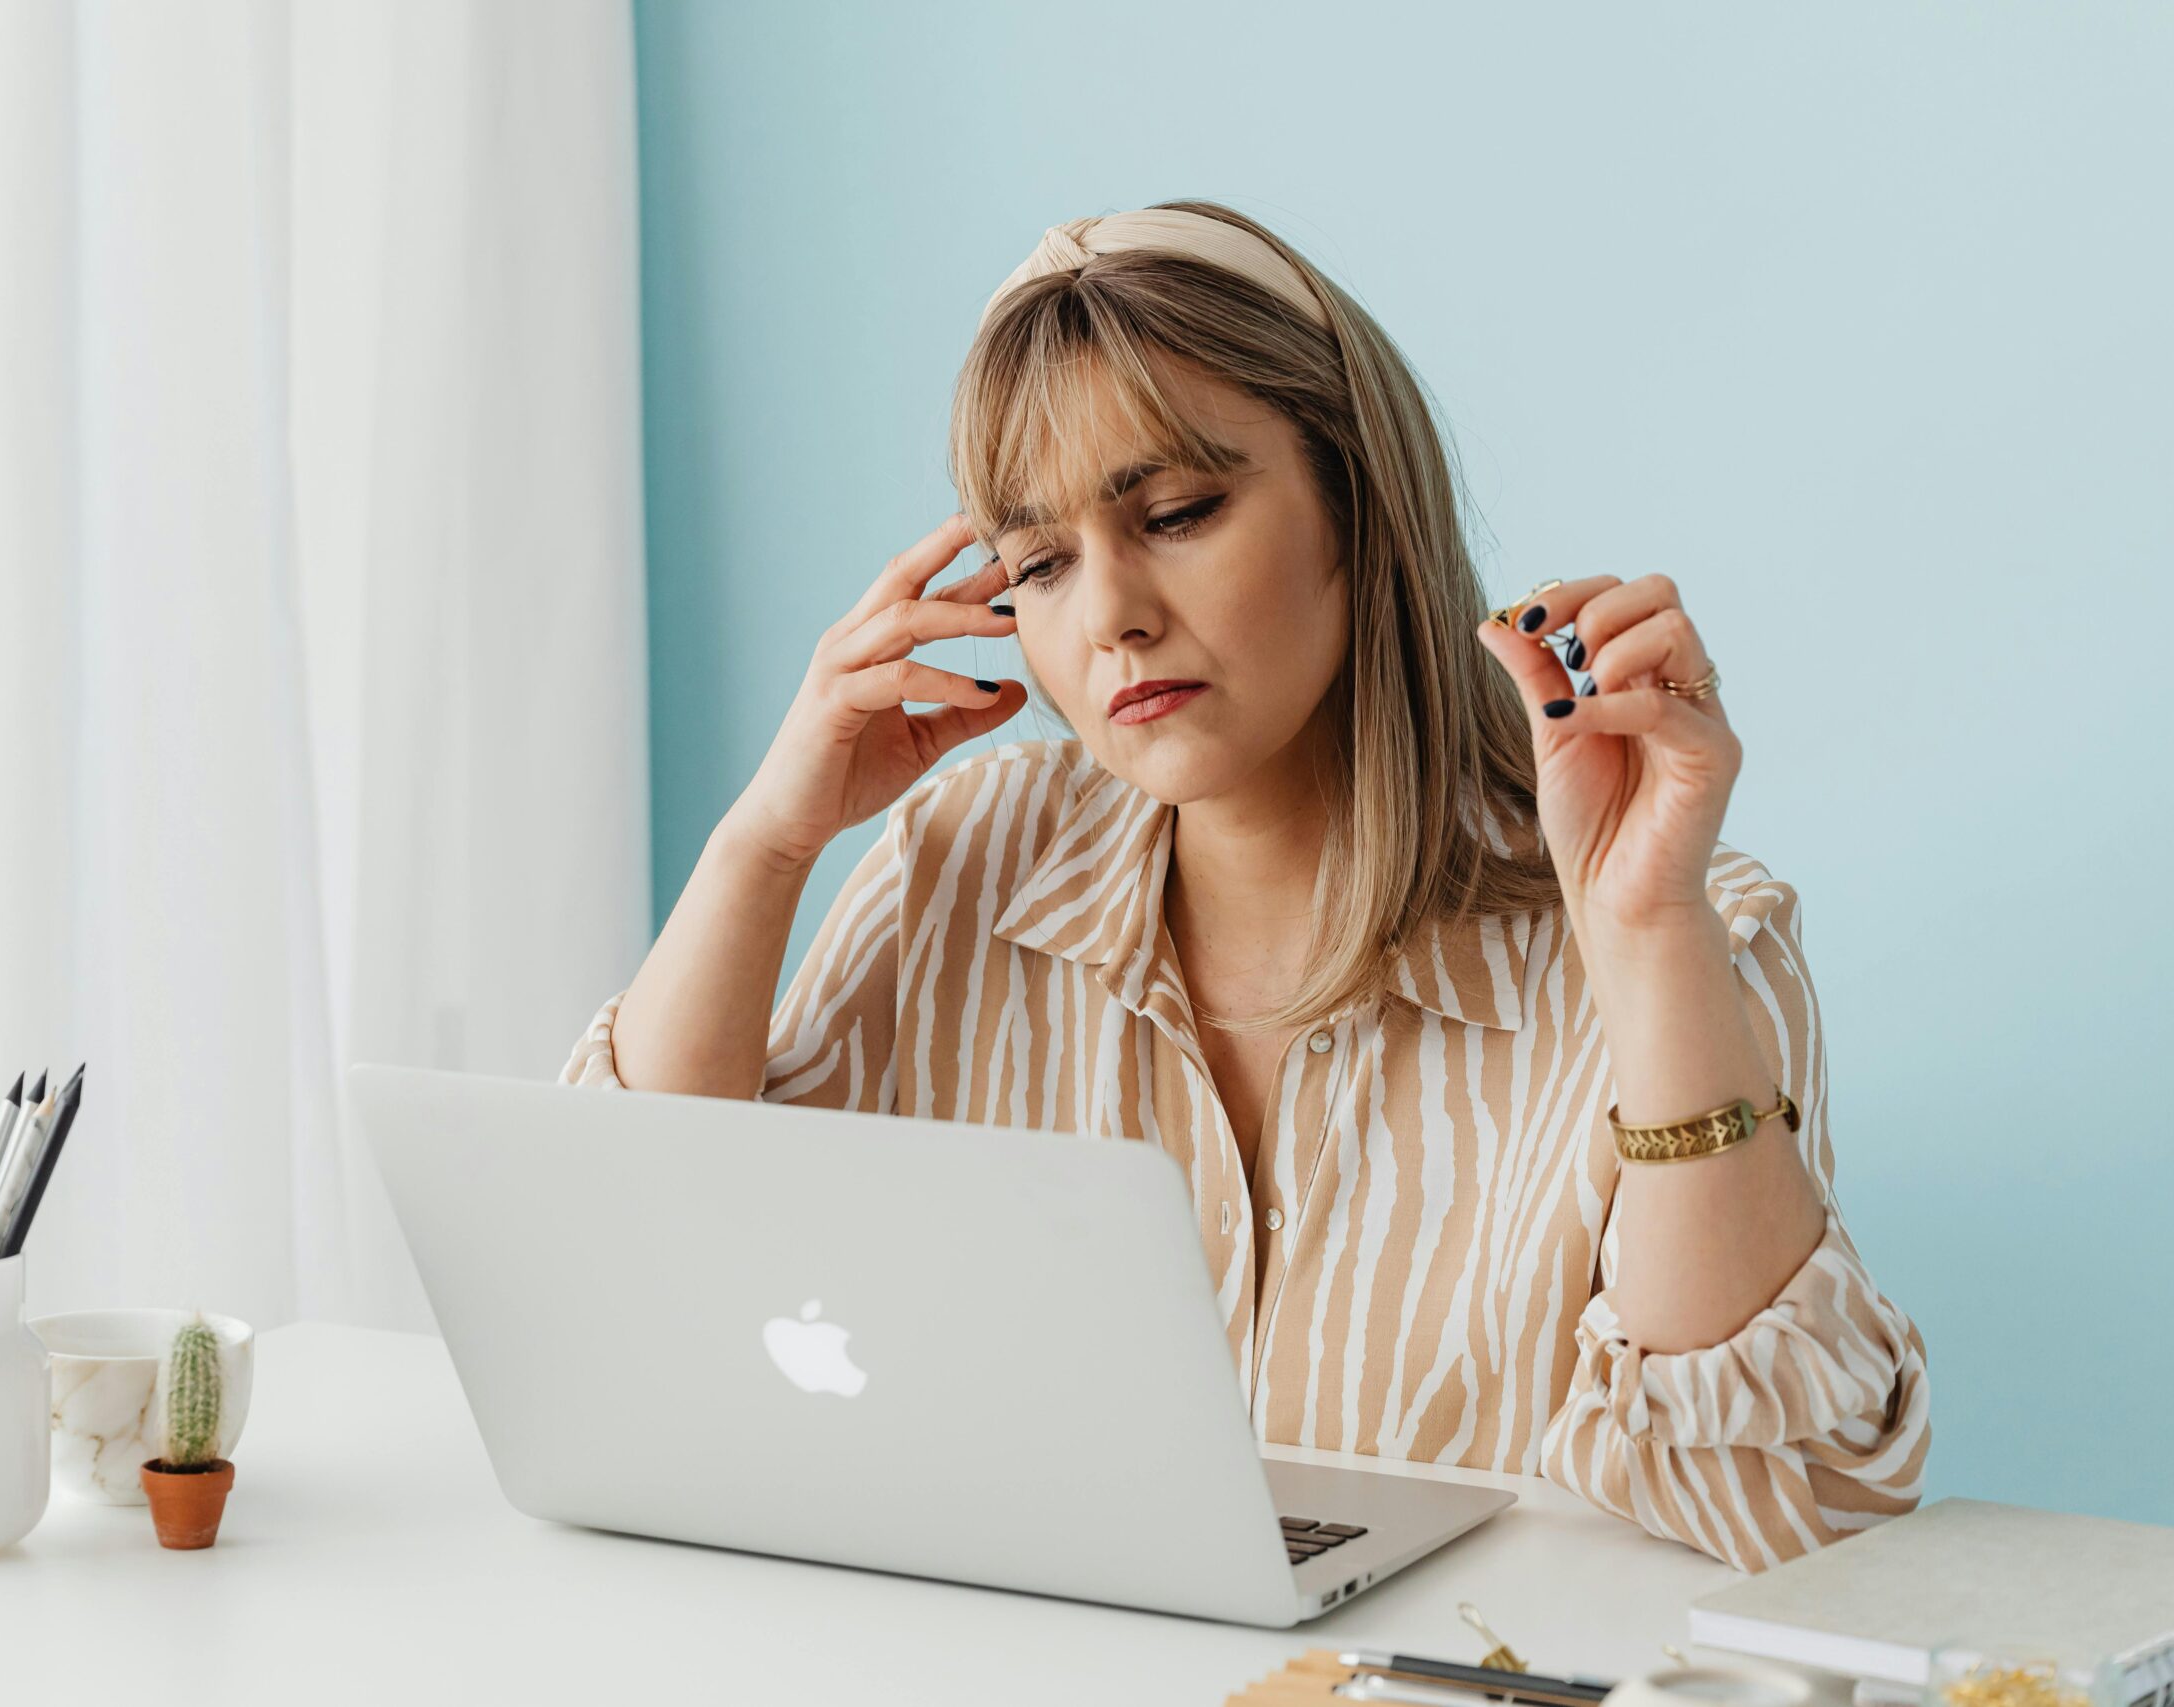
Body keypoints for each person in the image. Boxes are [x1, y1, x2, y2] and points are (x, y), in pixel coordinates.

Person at [561, 199, 1928, 1574]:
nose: (1109, 615)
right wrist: (765, 845)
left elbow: (1783, 1497)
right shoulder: (961, 864)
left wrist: (1644, 937)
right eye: (1039, 563)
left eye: (1177, 512)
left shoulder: (1686, 926)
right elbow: (629, 1292)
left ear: (1357, 498)